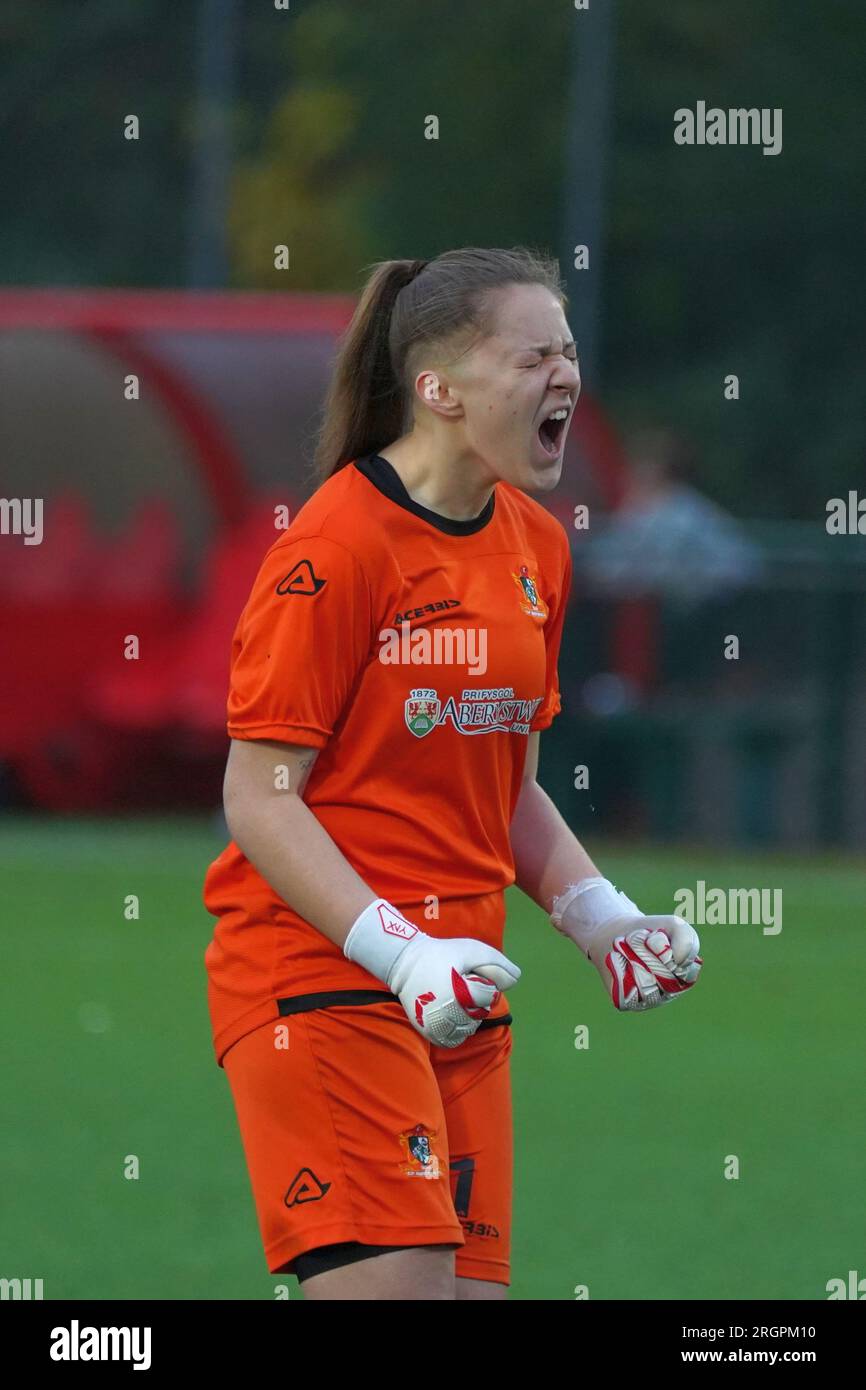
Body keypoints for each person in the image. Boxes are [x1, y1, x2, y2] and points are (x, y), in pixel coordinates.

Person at [202, 246, 703, 1302]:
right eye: (532, 357)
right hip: (327, 981)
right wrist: (399, 952)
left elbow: (505, 786)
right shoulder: (334, 547)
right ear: (436, 389)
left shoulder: (536, 546)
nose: (564, 375)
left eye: (568, 352)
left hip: (459, 993)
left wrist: (600, 918)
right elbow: (258, 793)